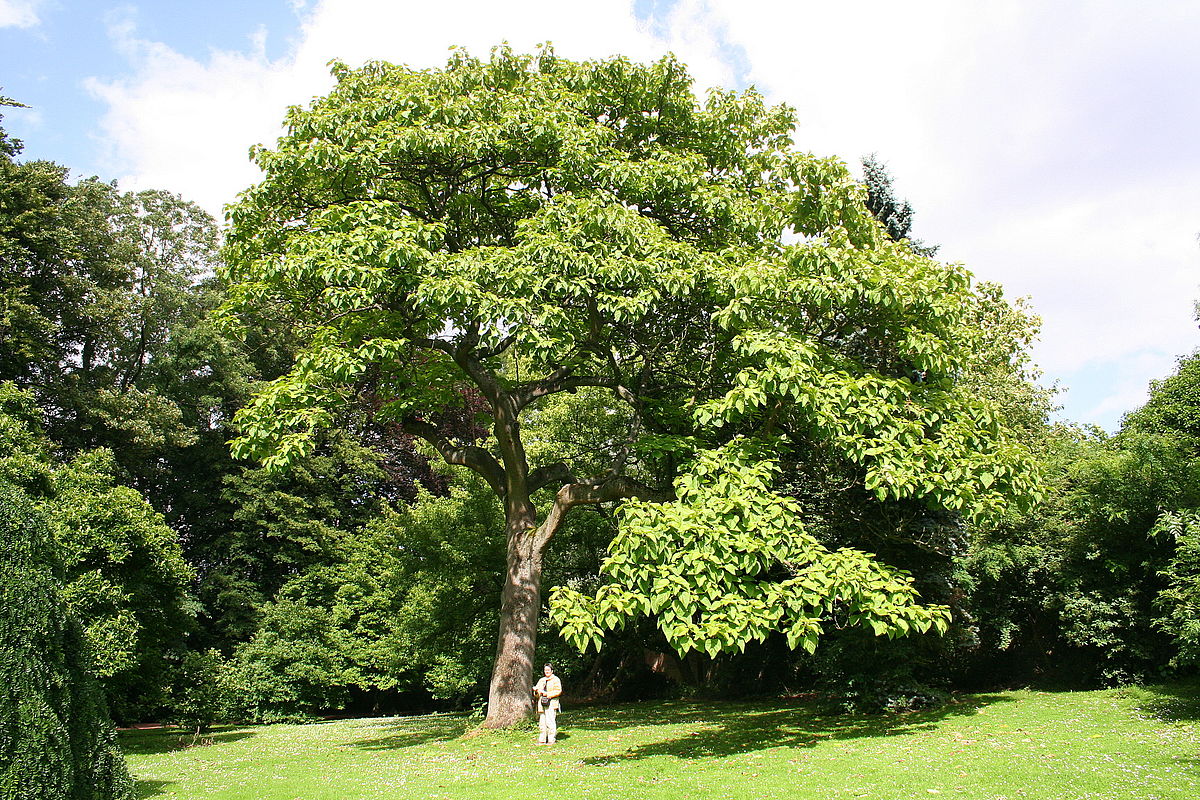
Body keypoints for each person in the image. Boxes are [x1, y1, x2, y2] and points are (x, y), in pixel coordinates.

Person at [533, 663, 562, 745]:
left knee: (550, 722)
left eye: (548, 670)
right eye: (545, 670)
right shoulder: (541, 680)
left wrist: (547, 694)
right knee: (542, 723)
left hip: (551, 704)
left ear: (552, 671)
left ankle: (551, 739)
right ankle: (542, 740)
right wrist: (536, 691)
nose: (547, 672)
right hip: (541, 704)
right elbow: (537, 694)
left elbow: (558, 691)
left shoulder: (556, 680)